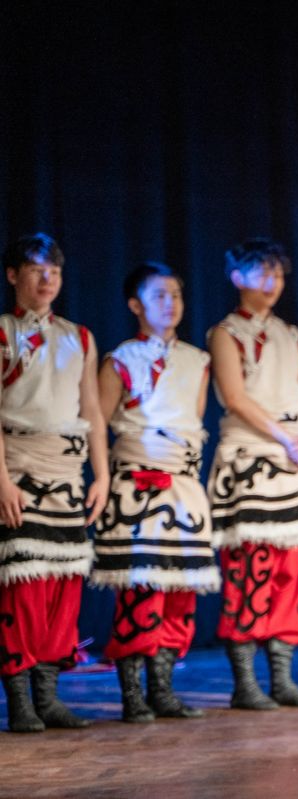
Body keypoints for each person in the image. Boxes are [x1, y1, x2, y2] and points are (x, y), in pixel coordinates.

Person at [207, 238, 298, 710]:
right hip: (253, 456)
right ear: (237, 276)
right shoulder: (225, 333)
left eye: (278, 274)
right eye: (262, 272)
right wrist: (284, 437)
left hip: (293, 461)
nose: (273, 282)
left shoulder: (291, 334)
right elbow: (236, 397)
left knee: (290, 570)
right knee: (249, 569)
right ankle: (245, 680)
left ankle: (282, 675)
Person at [92, 262, 219, 722]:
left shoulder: (197, 360)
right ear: (135, 304)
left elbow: (195, 421)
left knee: (181, 590)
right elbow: (99, 426)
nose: (172, 303)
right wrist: (105, 479)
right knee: (140, 587)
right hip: (136, 486)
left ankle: (163, 687)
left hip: (183, 486)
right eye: (160, 295)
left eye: (177, 295)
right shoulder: (120, 359)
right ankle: (132, 692)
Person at [0, 234, 108, 733]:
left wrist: (102, 474)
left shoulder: (79, 337)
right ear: (13, 275)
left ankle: (49, 694)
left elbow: (92, 411)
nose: (47, 279)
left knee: (63, 586)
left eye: (55, 272)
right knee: (23, 586)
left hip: (68, 473)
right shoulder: (3, 332)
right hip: (19, 466)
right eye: (38, 269)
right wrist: (1, 480)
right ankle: (19, 696)